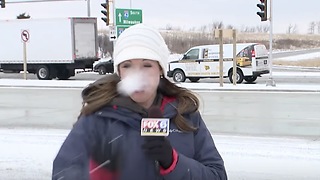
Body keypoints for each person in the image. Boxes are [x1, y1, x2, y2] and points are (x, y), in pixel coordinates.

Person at [52, 23, 227, 180]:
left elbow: (217, 175)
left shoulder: (185, 115)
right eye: (127, 65)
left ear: (160, 69)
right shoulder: (97, 118)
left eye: (147, 65)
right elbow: (63, 173)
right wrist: (96, 174)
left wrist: (174, 162)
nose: (138, 75)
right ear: (119, 72)